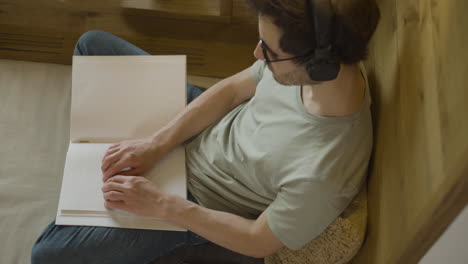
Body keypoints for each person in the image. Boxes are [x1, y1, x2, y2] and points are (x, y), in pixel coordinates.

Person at [31, 0, 380, 263]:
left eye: (270, 52)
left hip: (198, 202)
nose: (257, 54)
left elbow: (258, 241)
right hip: (210, 130)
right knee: (91, 45)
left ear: (319, 65)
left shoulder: (324, 171)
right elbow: (230, 91)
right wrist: (157, 143)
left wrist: (164, 205)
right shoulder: (315, 63)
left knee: (47, 255)